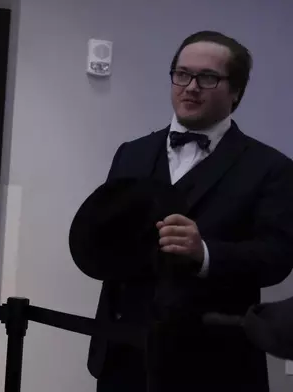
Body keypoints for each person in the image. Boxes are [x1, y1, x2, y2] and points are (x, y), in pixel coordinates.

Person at [88, 31, 293, 392]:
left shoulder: (272, 168)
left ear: (237, 92)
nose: (191, 86)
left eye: (208, 77)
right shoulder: (131, 153)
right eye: (182, 74)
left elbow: (277, 258)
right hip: (123, 354)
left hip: (214, 363)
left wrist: (206, 254)